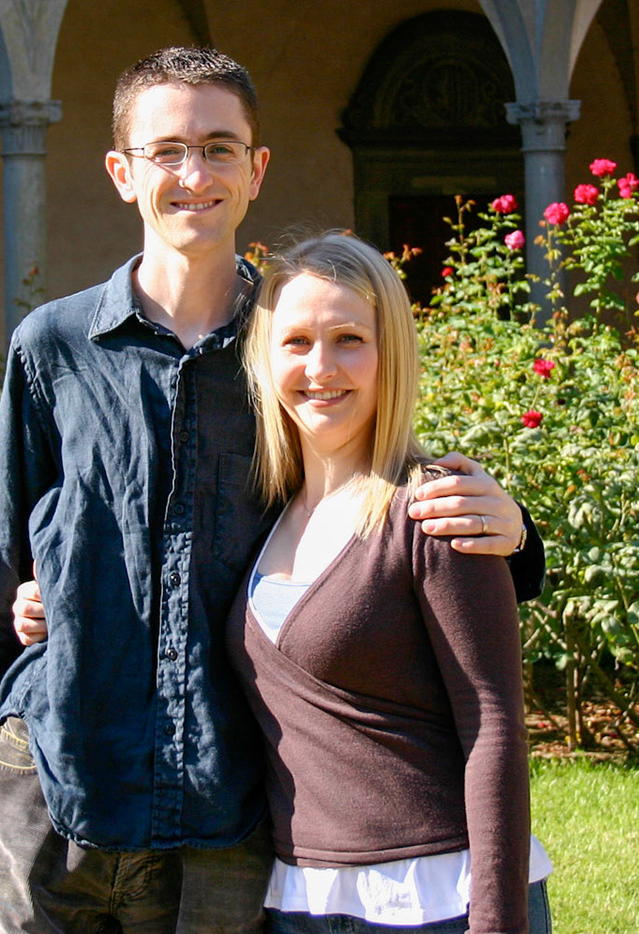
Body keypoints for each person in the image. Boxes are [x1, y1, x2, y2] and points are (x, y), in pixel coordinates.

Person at [0, 47, 541, 934]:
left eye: (218, 147)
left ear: (257, 169)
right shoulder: (52, 350)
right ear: (121, 173)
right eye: (165, 151)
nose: (192, 174)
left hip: (224, 804)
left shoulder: (292, 348)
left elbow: (381, 493)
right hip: (49, 782)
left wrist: (517, 533)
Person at [227, 232, 549, 934]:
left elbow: (493, 727)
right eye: (297, 342)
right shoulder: (263, 515)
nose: (321, 368)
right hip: (298, 898)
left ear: (390, 354)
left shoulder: (434, 508)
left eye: (349, 339)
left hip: (437, 897)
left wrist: (496, 922)